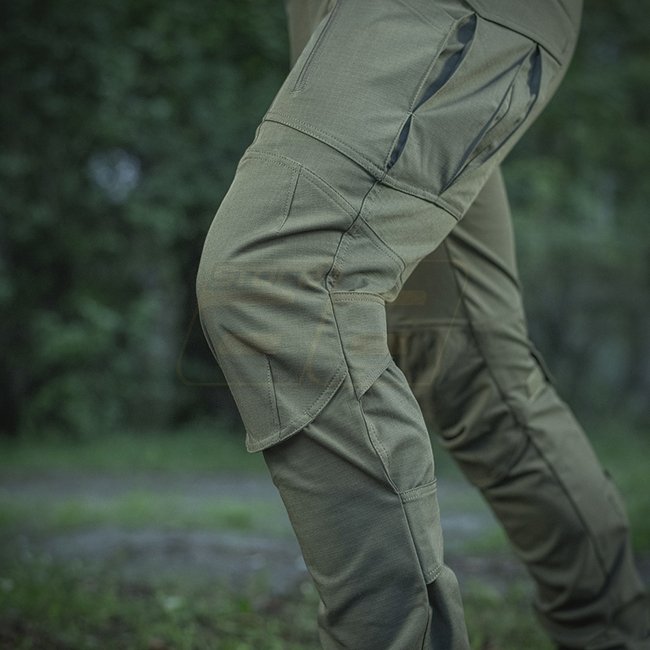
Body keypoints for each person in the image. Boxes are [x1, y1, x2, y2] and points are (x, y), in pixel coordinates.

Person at [196, 1, 650, 647]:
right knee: (465, 363)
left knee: (276, 279)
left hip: (436, 15)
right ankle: (614, 633)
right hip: (349, 22)